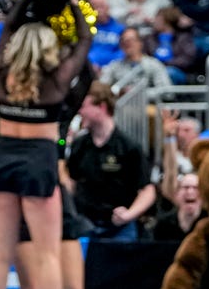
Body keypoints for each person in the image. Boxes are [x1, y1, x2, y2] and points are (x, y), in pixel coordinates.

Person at [0, 0, 92, 289]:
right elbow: (85, 42)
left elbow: (4, 35)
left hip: (2, 156)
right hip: (39, 160)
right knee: (49, 255)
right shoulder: (57, 79)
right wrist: (74, 3)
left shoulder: (3, 73)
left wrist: (22, 6)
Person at [7, 59, 95, 289]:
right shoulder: (10, 106)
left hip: (57, 198)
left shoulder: (58, 106)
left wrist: (69, 32)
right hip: (22, 195)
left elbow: (85, 76)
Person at [67, 82, 157, 243]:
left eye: (84, 106)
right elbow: (70, 181)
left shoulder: (128, 146)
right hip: (85, 225)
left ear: (101, 107)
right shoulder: (79, 145)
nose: (80, 112)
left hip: (119, 228)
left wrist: (129, 214)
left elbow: (147, 190)